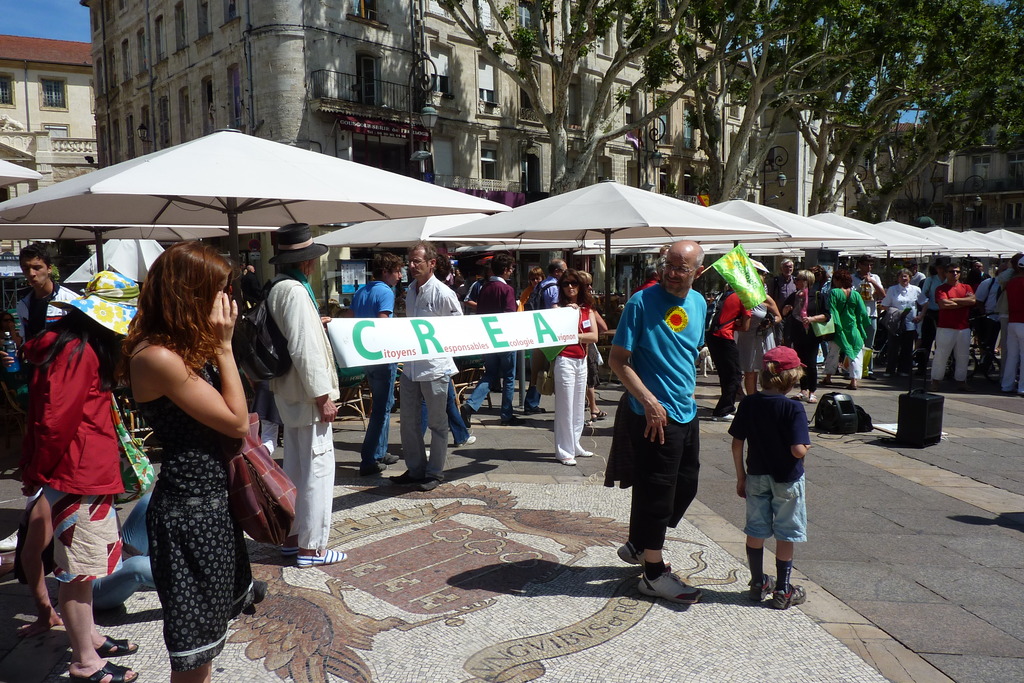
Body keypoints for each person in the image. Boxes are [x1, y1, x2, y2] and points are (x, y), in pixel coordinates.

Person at [125, 244, 266, 681]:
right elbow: (237, 422)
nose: (226, 300)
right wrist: (223, 346)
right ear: (189, 293)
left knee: (207, 638)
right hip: (189, 511)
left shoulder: (178, 344)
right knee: (193, 648)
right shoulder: (158, 356)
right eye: (217, 290)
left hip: (210, 502)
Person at [22, 271, 140, 683]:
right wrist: (42, 473)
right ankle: (85, 662)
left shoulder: (72, 345)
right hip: (79, 474)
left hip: (84, 471)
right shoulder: (81, 351)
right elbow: (56, 422)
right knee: (78, 572)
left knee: (85, 568)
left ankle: (89, 637)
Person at [610, 240, 706, 605]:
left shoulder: (698, 303)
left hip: (686, 410)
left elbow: (686, 352)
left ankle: (639, 543)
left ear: (697, 271)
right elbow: (618, 360)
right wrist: (649, 400)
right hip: (653, 415)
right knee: (658, 494)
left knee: (686, 485)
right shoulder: (640, 302)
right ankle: (652, 572)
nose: (671, 272)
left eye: (681, 267)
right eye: (669, 264)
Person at [265, 223, 342, 567]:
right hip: (306, 394)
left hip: (289, 392)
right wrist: (322, 395)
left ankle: (293, 538)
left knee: (295, 468)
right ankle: (313, 548)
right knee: (318, 470)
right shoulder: (295, 291)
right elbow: (304, 348)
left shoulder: (277, 287)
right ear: (307, 261)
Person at [729, 345, 811, 610]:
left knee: (756, 529)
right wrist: (808, 447)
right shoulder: (793, 408)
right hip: (787, 479)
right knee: (786, 532)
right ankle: (783, 590)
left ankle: (756, 582)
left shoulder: (749, 403)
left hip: (755, 476)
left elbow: (736, 443)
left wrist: (740, 477)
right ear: (790, 378)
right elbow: (797, 450)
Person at [394, 241, 463, 491]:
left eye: (417, 262)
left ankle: (434, 472)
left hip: (434, 366)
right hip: (411, 366)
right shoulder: (410, 290)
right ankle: (415, 469)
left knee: (437, 422)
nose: (411, 266)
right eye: (409, 262)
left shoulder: (443, 293)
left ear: (431, 263)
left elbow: (458, 325)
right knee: (408, 421)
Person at [350, 252, 404, 476]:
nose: (400, 276)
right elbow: (383, 324)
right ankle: (369, 458)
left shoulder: (361, 290)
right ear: (385, 272)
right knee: (381, 408)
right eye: (397, 271)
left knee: (384, 402)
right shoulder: (385, 292)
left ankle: (380, 452)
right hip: (382, 355)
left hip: (365, 354)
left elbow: (352, 317)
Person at [461, 253, 520, 427]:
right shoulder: (507, 289)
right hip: (505, 338)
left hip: (488, 338)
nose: (512, 272)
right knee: (509, 377)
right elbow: (510, 315)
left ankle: (471, 405)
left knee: (490, 373)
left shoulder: (485, 287)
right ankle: (506, 414)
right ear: (507, 270)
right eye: (511, 269)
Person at [551, 269, 600, 465]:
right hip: (564, 359)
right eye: (565, 283)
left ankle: (575, 443)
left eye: (574, 283)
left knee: (579, 404)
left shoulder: (587, 309)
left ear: (580, 286)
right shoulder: (557, 310)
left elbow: (595, 336)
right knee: (565, 405)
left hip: (582, 359)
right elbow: (557, 335)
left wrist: (576, 336)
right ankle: (564, 450)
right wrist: (573, 328)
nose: (570, 287)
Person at [523, 258, 566, 413]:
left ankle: (531, 402)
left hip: (538, 331)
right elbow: (553, 308)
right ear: (557, 271)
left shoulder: (541, 284)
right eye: (564, 270)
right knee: (554, 368)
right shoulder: (554, 287)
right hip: (550, 332)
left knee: (538, 369)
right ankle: (532, 403)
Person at [781, 269, 828, 403]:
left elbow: (827, 315)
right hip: (797, 333)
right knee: (800, 363)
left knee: (811, 363)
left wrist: (812, 319)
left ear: (807, 281)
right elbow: (783, 313)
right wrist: (786, 310)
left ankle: (812, 391)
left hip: (812, 333)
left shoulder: (818, 296)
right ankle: (803, 390)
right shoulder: (794, 296)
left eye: (799, 279)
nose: (796, 282)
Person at [929, 263, 976, 392]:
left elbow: (972, 301)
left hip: (963, 327)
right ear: (946, 273)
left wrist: (954, 300)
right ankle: (935, 381)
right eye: (951, 271)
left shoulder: (966, 287)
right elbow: (944, 305)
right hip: (945, 327)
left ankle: (961, 381)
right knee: (941, 355)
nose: (954, 274)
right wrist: (963, 302)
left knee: (963, 356)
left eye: (957, 271)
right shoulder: (941, 288)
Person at [735, 262, 780, 397]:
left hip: (764, 337)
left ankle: (768, 395)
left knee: (767, 369)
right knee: (749, 371)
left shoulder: (765, 298)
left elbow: (779, 317)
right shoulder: (741, 299)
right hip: (746, 337)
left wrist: (770, 321)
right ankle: (751, 399)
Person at [16, 243, 77, 341]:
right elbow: (25, 340)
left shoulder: (71, 300)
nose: (31, 274)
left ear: (49, 269)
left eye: (37, 268)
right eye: (26, 269)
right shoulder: (23, 305)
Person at [821, 269, 871, 390]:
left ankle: (828, 377)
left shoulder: (834, 293)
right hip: (853, 328)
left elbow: (833, 311)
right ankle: (853, 381)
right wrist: (862, 326)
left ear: (838, 280)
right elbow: (863, 313)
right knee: (855, 353)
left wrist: (836, 325)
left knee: (833, 353)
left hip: (838, 328)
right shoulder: (856, 295)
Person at [706, 287, 751, 420]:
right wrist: (735, 324)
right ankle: (723, 410)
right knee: (734, 374)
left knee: (724, 373)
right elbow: (745, 327)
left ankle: (728, 406)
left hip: (712, 335)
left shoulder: (724, 294)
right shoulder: (744, 297)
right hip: (725, 337)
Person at [879, 269, 926, 377]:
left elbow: (925, 303)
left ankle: (904, 369)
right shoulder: (892, 289)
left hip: (910, 322)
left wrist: (920, 316)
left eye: (906, 276)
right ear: (897, 278)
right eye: (901, 276)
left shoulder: (916, 289)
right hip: (896, 322)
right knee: (893, 347)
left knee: (907, 347)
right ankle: (890, 370)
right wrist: (895, 313)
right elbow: (885, 305)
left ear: (910, 278)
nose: (903, 279)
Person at [851, 255, 884, 379]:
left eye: (870, 265)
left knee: (869, 344)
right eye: (866, 265)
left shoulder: (875, 277)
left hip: (871, 313)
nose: (868, 267)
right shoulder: (853, 278)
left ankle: (868, 370)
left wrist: (873, 282)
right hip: (856, 314)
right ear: (859, 265)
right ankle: (853, 369)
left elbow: (882, 295)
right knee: (855, 342)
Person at [917, 258, 948, 375]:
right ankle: (921, 367)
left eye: (944, 268)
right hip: (931, 312)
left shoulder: (949, 280)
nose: (942, 270)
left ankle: (942, 368)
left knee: (943, 342)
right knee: (926, 341)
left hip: (945, 312)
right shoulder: (930, 280)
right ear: (936, 269)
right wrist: (925, 309)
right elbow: (923, 296)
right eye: (940, 268)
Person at [1000, 255, 1024, 395]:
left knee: (1012, 356)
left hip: (1012, 321)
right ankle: (1022, 387)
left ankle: (1007, 385)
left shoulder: (1010, 282)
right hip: (1022, 321)